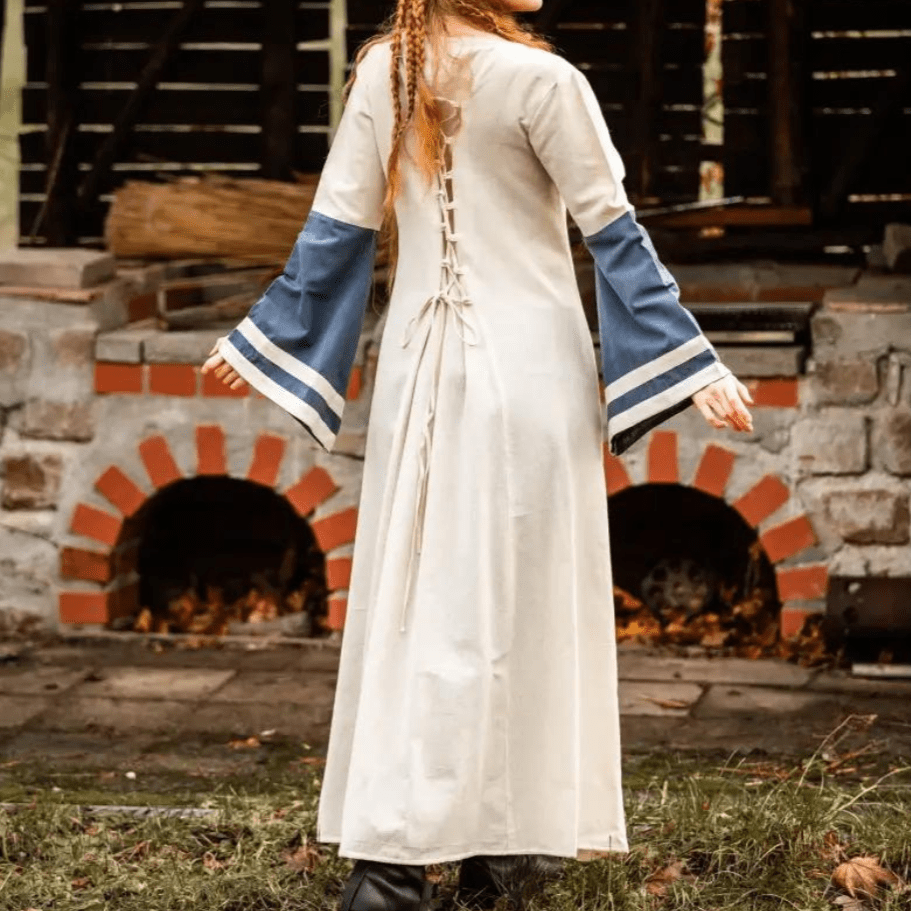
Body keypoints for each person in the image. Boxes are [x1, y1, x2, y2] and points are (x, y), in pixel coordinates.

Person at [202, 0, 755, 908]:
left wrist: (268, 330)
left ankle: (445, 861)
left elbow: (334, 230)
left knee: (424, 603)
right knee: (515, 604)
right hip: (528, 373)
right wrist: (691, 360)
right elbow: (614, 234)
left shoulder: (385, 70)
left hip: (418, 368)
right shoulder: (541, 80)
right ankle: (459, 857)